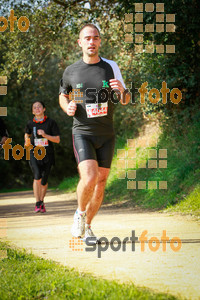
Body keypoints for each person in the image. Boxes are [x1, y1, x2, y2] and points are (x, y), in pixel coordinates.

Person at [59, 23, 130, 241]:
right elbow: (63, 95)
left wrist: (122, 91)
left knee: (101, 181)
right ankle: (79, 214)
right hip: (82, 131)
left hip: (106, 133)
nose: (92, 42)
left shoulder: (111, 66)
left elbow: (125, 99)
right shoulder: (70, 71)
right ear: (80, 43)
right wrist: (67, 106)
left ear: (100, 41)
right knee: (89, 177)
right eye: (87, 38)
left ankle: (88, 226)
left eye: (95, 38)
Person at [25, 101, 60, 213]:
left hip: (48, 154)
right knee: (37, 176)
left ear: (44, 109)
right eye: (34, 107)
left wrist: (45, 135)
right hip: (34, 153)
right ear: (32, 111)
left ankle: (42, 201)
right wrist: (26, 140)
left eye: (39, 107)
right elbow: (27, 133)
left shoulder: (51, 123)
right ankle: (37, 203)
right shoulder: (30, 123)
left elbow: (57, 139)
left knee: (44, 180)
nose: (37, 109)